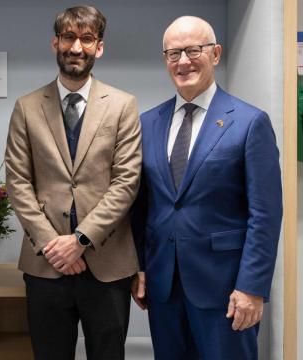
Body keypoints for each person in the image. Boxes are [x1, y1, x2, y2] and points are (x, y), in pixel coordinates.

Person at [131, 16, 282, 360]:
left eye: (193, 50)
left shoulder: (249, 122)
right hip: (163, 287)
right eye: (173, 53)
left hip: (226, 291)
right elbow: (141, 207)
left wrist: (252, 287)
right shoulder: (147, 123)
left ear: (215, 54)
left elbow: (266, 215)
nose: (183, 61)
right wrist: (140, 266)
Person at [5, 5, 142, 359]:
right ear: (55, 43)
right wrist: (55, 245)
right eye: (68, 37)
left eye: (86, 39)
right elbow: (18, 182)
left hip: (107, 263)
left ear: (99, 47)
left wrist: (80, 240)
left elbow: (126, 183)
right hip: (45, 264)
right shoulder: (27, 107)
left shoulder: (123, 106)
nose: (76, 48)